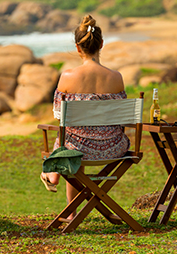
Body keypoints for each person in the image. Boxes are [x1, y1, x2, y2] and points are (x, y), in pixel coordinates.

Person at [40, 15, 131, 211]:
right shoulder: (117, 77)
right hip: (114, 148)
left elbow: (58, 114)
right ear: (101, 44)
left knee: (71, 145)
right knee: (76, 143)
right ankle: (59, 175)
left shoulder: (68, 76)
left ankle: (67, 204)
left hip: (78, 149)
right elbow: (122, 117)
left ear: (77, 48)